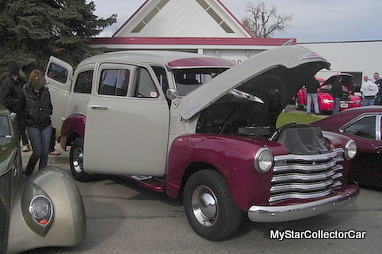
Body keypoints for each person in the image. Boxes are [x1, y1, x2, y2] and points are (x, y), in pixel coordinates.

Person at [23, 70, 53, 176]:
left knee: (45, 153)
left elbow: (49, 105)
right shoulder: (26, 91)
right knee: (37, 152)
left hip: (46, 124)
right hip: (32, 124)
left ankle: (41, 174)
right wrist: (29, 115)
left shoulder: (45, 91)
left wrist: (47, 112)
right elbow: (24, 106)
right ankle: (28, 172)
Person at [0, 62, 30, 150]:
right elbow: (3, 100)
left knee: (19, 137)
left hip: (20, 114)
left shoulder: (17, 82)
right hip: (13, 115)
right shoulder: (7, 83)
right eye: (19, 69)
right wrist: (18, 102)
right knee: (15, 141)